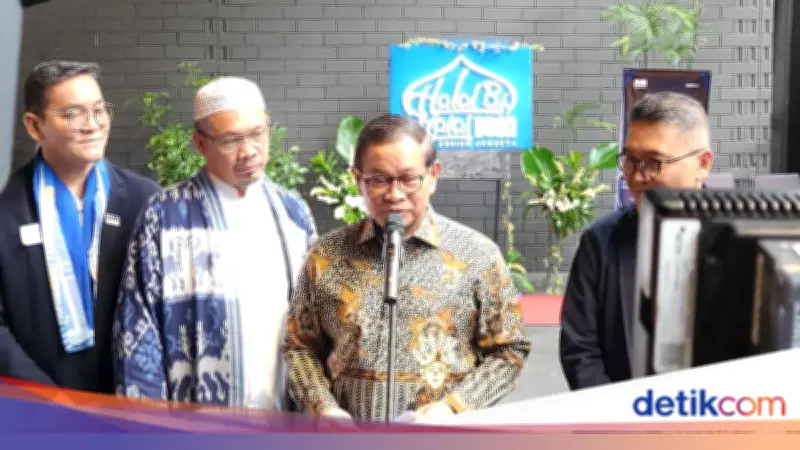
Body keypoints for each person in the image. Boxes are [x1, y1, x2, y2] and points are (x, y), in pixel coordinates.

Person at [283, 114, 531, 423]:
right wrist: (324, 408)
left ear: (433, 175)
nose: (395, 194)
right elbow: (300, 348)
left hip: (442, 437)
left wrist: (453, 407)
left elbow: (509, 351)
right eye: (379, 180)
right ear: (357, 179)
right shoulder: (325, 255)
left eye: (409, 179)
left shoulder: (477, 255)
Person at [113, 76, 317, 410]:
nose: (248, 151)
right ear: (200, 143)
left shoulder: (293, 213)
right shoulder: (165, 215)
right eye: (230, 140)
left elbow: (315, 322)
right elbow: (137, 333)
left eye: (257, 133)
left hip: (282, 417)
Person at [0, 60, 159, 393]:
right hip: (34, 401)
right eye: (74, 115)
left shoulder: (145, 200)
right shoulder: (8, 207)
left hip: (130, 397)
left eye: (99, 111)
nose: (93, 125)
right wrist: (46, 398)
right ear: (34, 126)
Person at [559, 91, 714, 390]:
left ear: (703, 163)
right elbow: (580, 349)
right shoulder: (600, 242)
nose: (637, 177)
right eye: (630, 160)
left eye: (654, 162)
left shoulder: (743, 244)